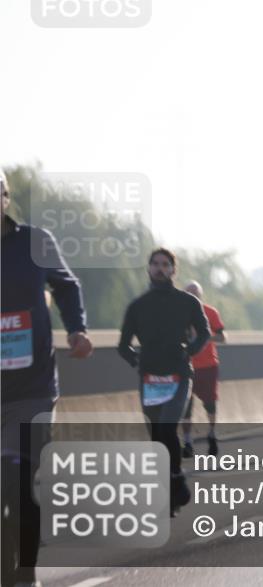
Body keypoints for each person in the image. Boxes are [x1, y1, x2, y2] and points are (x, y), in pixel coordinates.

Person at [1, 170, 93, 587]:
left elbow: (67, 286)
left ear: (6, 197)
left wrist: (76, 328)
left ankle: (25, 576)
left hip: (32, 388)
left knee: (17, 481)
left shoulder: (35, 242)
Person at [118, 248, 210, 515]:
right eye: (155, 264)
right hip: (149, 378)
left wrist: (189, 351)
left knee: (167, 428)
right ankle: (170, 484)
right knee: (156, 436)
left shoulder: (188, 302)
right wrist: (136, 361)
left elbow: (204, 333)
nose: (160, 268)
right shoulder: (138, 306)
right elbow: (123, 345)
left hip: (179, 374)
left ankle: (175, 480)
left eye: (165, 264)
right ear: (148, 269)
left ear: (173, 270)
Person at [181, 281, 226, 458]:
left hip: (208, 365)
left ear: (201, 295)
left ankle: (212, 433)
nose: (192, 296)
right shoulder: (178, 312)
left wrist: (205, 338)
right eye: (188, 293)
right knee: (186, 405)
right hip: (185, 365)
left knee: (210, 403)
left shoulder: (210, 312)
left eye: (195, 293)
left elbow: (223, 337)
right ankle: (187, 441)